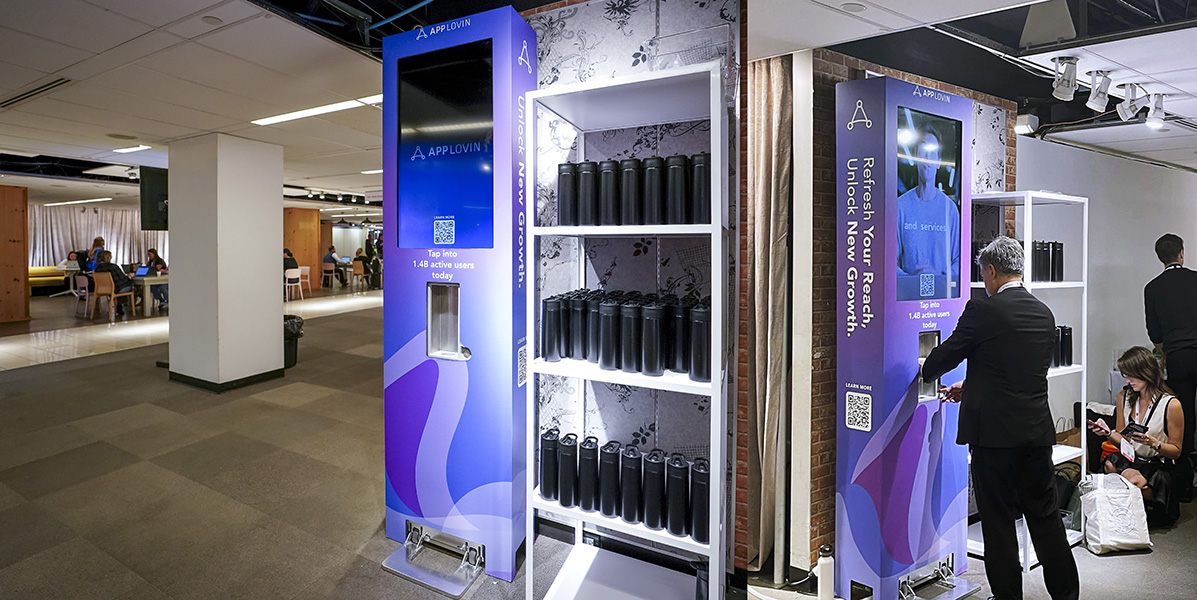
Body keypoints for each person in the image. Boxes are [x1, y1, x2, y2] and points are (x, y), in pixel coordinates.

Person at [920, 236, 1079, 600]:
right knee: (1045, 519)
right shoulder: (1044, 313)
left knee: (998, 523)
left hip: (993, 439)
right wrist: (973, 386)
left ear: (990, 271)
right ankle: (1067, 595)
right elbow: (1015, 371)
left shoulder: (983, 310)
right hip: (1036, 435)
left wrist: (926, 368)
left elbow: (943, 358)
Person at [1087, 346, 1185, 527]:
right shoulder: (1124, 397)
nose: (1127, 380)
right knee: (1109, 463)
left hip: (1158, 464)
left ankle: (1131, 503)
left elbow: (1176, 451)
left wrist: (1154, 443)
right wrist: (1108, 433)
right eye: (1125, 375)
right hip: (1132, 459)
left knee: (1134, 479)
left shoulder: (1171, 405)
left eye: (1131, 375)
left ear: (1146, 372)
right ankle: (1133, 503)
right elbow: (1122, 440)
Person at [1144, 232, 1197, 502]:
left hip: (1179, 359)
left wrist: (1164, 353)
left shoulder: (1153, 288)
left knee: (1183, 419)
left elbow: (1155, 332)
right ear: (1181, 253)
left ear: (1160, 258)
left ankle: (1185, 485)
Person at [896, 125, 961, 297]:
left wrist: (938, 278)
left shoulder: (950, 210)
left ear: (939, 161)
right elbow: (890, 263)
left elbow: (959, 261)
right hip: (907, 300)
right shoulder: (900, 207)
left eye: (933, 152)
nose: (927, 158)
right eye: (923, 150)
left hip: (942, 300)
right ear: (916, 157)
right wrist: (912, 281)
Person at [92, 251, 134, 317]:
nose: (111, 257)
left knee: (120, 288)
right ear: (108, 257)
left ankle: (120, 306)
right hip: (116, 289)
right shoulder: (113, 267)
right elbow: (122, 279)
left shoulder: (97, 269)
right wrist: (129, 277)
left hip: (105, 290)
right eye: (110, 256)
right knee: (130, 287)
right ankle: (125, 306)